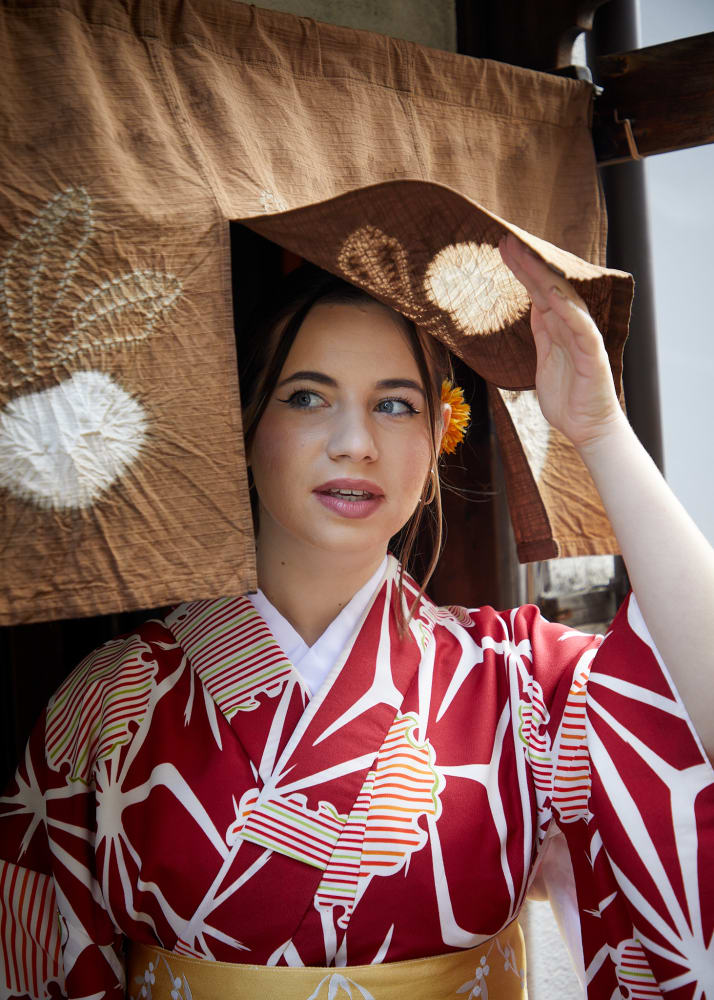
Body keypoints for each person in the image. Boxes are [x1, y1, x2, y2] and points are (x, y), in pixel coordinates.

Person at [1, 234, 712, 999]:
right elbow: (40, 954)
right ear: (243, 425)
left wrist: (602, 432)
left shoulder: (516, 681)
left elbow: (690, 725)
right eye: (307, 396)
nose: (355, 444)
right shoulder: (111, 700)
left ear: (440, 436)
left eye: (395, 405)